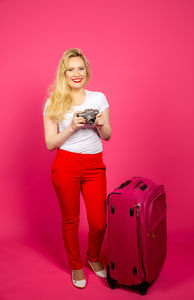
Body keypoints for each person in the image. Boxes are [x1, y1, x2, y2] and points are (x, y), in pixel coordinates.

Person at [42, 48, 112, 289]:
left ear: (86, 71)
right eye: (71, 69)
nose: (76, 73)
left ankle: (93, 258)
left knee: (98, 222)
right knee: (71, 220)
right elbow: (50, 143)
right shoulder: (53, 102)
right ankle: (75, 266)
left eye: (80, 68)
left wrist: (101, 125)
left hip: (94, 166)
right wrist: (71, 126)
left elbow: (108, 135)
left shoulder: (99, 98)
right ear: (64, 73)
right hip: (66, 165)